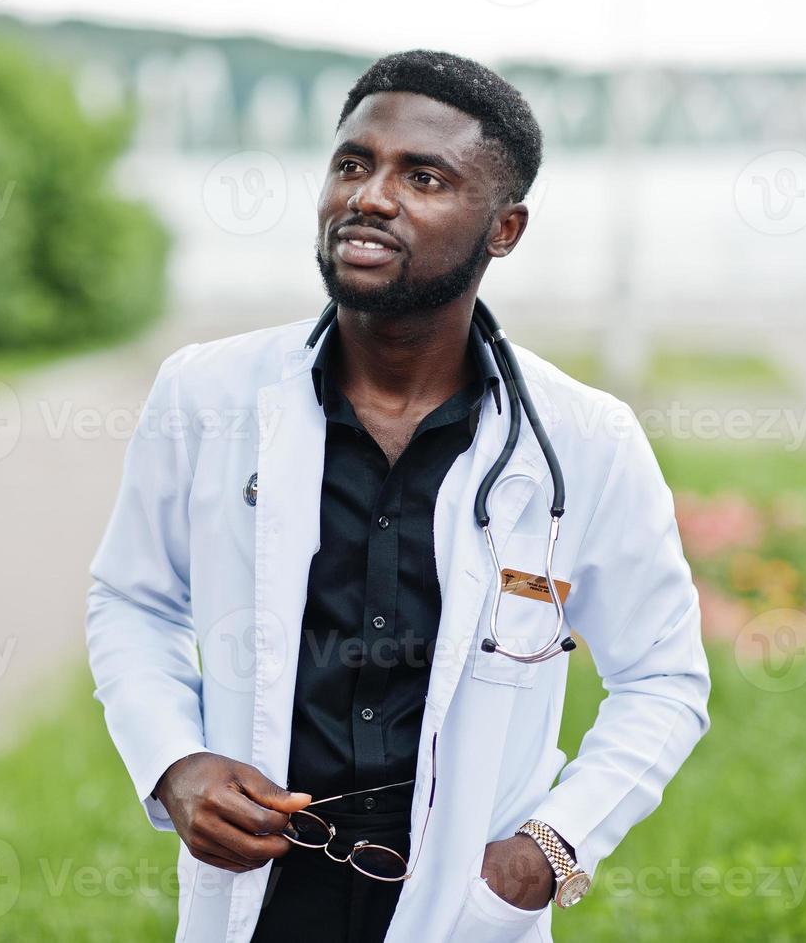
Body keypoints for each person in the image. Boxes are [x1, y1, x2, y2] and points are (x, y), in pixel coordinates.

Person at [84, 49, 711, 943]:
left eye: (423, 176)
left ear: (504, 229)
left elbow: (662, 678)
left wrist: (550, 849)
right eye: (352, 163)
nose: (369, 197)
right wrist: (174, 762)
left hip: (462, 898)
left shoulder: (586, 439)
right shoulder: (207, 395)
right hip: (262, 884)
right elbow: (132, 599)